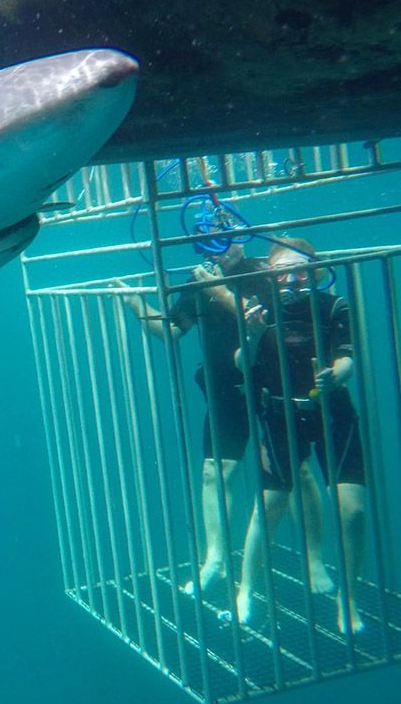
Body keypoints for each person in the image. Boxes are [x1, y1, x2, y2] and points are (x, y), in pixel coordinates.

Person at [121, 242, 331, 596]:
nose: (215, 249)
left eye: (223, 238)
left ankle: (313, 560)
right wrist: (136, 305)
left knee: (301, 470)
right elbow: (172, 331)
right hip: (225, 387)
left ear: (240, 239)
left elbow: (273, 315)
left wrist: (216, 289)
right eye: (205, 241)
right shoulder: (198, 282)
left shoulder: (266, 273)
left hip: (273, 383)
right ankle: (215, 558)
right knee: (214, 471)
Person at [235, 238, 365, 634]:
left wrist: (334, 376)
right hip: (280, 416)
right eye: (283, 272)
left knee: (353, 511)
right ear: (271, 275)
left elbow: (347, 359)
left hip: (333, 413)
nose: (293, 279)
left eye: (302, 270)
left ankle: (348, 598)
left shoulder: (334, 307)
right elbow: (241, 363)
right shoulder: (259, 310)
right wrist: (253, 335)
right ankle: (246, 588)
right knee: (269, 506)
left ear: (317, 271)